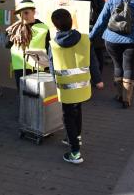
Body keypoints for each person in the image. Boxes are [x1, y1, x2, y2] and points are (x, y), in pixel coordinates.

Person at [49, 9, 97, 165]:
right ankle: (77, 137)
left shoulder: (53, 44)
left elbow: (51, 67)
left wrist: (54, 82)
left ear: (55, 26)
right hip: (83, 84)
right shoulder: (85, 39)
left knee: (67, 116)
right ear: (71, 21)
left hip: (65, 87)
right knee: (78, 110)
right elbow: (93, 61)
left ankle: (75, 152)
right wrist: (98, 79)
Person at [7, 0, 50, 88]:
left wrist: (48, 68)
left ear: (34, 12)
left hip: (38, 68)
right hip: (20, 67)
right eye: (20, 14)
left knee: (38, 97)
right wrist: (11, 34)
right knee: (23, 95)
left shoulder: (44, 28)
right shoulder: (15, 28)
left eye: (26, 13)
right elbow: (7, 45)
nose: (23, 16)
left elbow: (48, 48)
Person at [71, 0, 106, 73]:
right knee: (97, 52)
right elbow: (102, 12)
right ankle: (97, 76)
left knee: (82, 51)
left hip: (79, 24)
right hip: (94, 24)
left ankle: (83, 72)